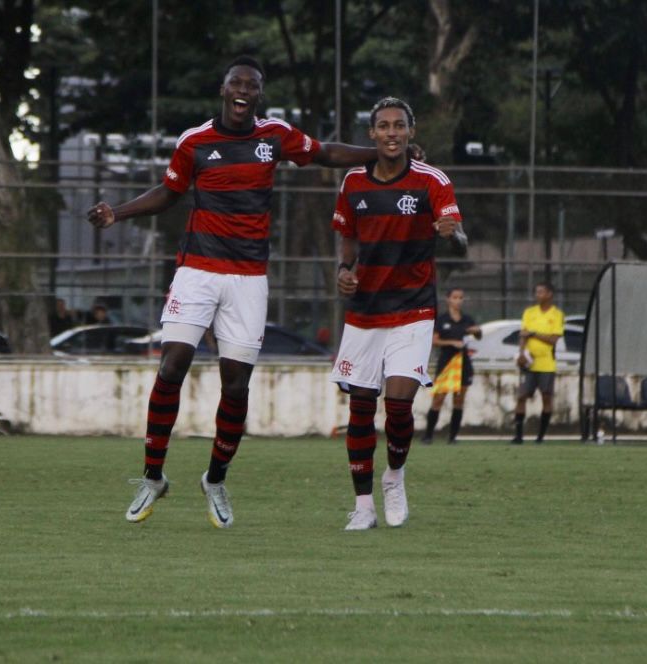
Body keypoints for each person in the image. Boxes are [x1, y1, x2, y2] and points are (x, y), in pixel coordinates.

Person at [88, 56, 408, 529]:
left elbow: (324, 153)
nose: (243, 90)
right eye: (236, 83)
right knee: (172, 363)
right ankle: (153, 476)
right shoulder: (194, 142)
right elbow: (169, 192)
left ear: (259, 95)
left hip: (248, 278)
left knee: (236, 384)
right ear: (223, 89)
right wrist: (119, 212)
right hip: (197, 269)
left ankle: (215, 479)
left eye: (252, 86)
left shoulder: (273, 136)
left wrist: (380, 155)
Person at [330, 96, 467, 531]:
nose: (392, 133)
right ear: (372, 134)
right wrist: (343, 271)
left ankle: (394, 476)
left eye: (399, 126)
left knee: (400, 403)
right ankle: (364, 506)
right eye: (383, 126)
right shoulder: (353, 183)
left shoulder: (432, 181)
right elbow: (348, 243)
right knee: (360, 409)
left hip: (413, 309)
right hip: (364, 313)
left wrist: (453, 234)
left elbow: (459, 237)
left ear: (411, 132)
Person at [422, 287, 481, 444]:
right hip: (446, 362)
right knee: (438, 399)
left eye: (461, 297)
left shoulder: (467, 319)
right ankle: (428, 436)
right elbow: (434, 341)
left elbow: (478, 336)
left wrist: (477, 331)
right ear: (448, 299)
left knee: (459, 399)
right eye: (455, 297)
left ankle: (453, 437)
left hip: (463, 363)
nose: (458, 301)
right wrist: (451, 342)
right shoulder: (442, 319)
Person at [512, 282, 564, 443]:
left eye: (541, 292)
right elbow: (523, 335)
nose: (537, 295)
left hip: (546, 363)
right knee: (521, 396)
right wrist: (521, 354)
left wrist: (534, 333)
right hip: (529, 363)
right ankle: (518, 436)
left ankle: (540, 437)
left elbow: (553, 339)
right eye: (537, 292)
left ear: (549, 294)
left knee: (546, 397)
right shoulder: (529, 312)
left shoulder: (557, 315)